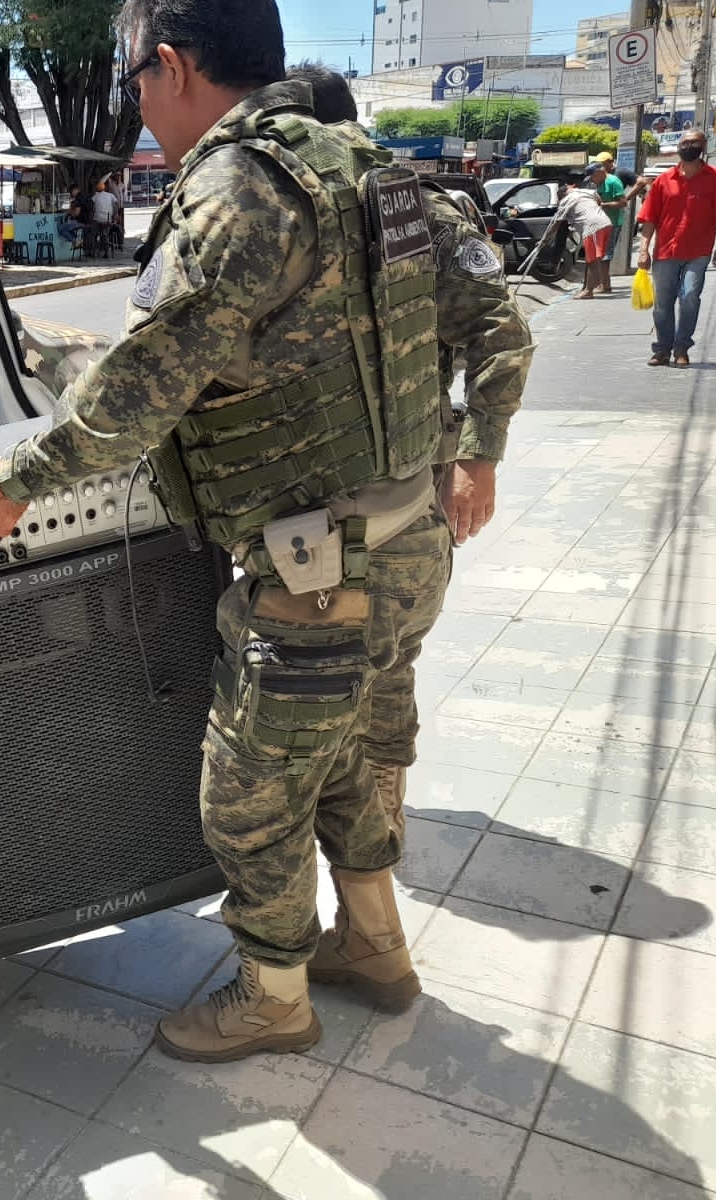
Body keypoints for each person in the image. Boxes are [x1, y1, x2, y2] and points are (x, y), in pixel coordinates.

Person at [0, 0, 449, 1063]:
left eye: (134, 80)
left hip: (317, 566)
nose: (137, 106)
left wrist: (23, 476)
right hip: (406, 535)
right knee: (338, 761)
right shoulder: (365, 165)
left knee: (249, 795)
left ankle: (273, 1000)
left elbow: (144, 388)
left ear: (172, 65)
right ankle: (374, 947)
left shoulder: (239, 186)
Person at [289, 61, 532, 837]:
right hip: (308, 507)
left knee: (381, 673)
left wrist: (478, 460)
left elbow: (501, 330)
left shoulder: (411, 212)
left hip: (398, 503)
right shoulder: (279, 217)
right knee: (317, 682)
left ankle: (378, 838)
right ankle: (353, 830)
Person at [636, 128, 716, 366]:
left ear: (703, 147)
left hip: (698, 251)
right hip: (666, 250)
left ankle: (682, 347)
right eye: (685, 143)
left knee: (689, 296)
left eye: (694, 143)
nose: (689, 147)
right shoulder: (663, 180)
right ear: (679, 146)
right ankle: (662, 349)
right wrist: (643, 249)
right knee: (663, 303)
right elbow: (650, 218)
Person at [554, 171, 614, 299]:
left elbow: (556, 223)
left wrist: (546, 239)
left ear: (562, 196)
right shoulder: (585, 192)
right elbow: (598, 199)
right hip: (605, 223)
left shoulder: (566, 200)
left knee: (592, 260)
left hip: (593, 227)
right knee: (595, 258)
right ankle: (593, 285)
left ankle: (588, 291)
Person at [588, 158, 628, 290]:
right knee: (600, 254)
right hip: (601, 224)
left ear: (599, 173)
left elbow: (623, 202)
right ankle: (602, 282)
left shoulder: (613, 182)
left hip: (613, 223)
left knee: (606, 255)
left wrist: (603, 205)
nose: (592, 181)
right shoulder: (599, 183)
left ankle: (605, 284)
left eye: (592, 177)